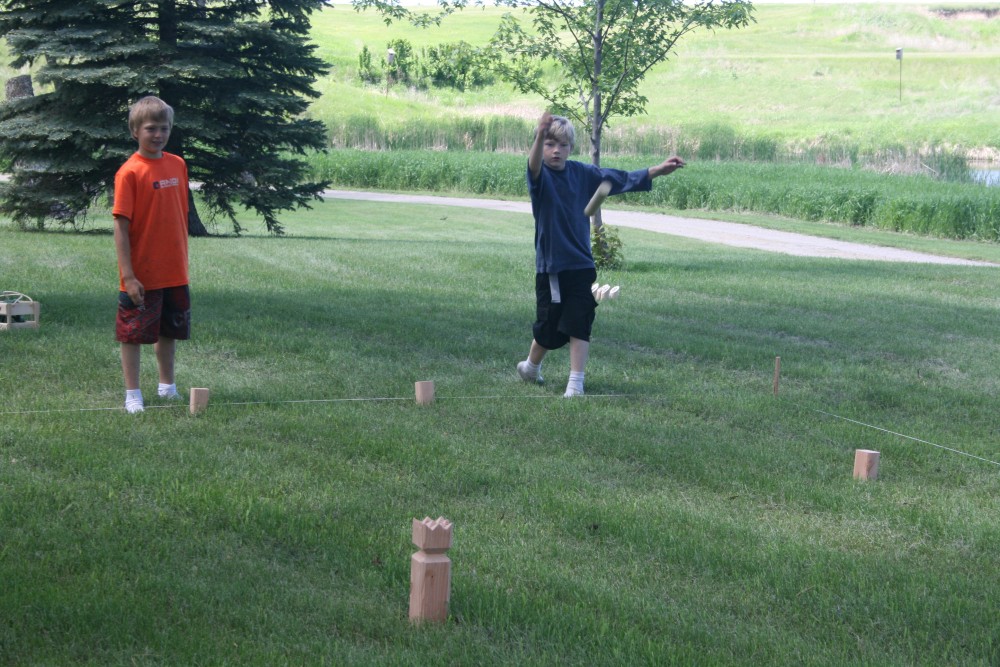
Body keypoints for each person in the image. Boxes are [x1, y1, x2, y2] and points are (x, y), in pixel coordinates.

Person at [517, 111, 685, 397]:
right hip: (552, 268)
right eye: (549, 144)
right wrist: (538, 136)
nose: (556, 150)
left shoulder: (583, 173)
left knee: (579, 320)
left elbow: (619, 179)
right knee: (550, 327)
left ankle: (575, 384)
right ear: (540, 145)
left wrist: (656, 170)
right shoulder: (540, 178)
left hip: (581, 264)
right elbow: (532, 166)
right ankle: (531, 367)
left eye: (563, 145)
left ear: (571, 148)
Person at [113, 96, 191, 413]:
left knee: (168, 329)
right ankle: (133, 394)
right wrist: (129, 276)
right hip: (141, 273)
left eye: (164, 128)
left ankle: (166, 386)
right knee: (132, 334)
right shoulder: (129, 173)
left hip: (174, 270)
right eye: (150, 128)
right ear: (135, 131)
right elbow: (120, 227)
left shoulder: (177, 164)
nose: (158, 134)